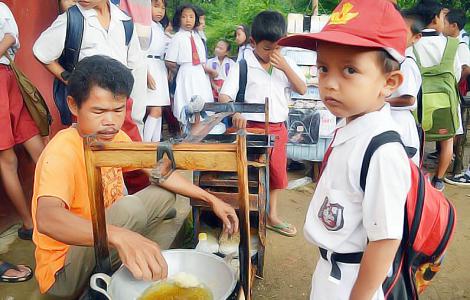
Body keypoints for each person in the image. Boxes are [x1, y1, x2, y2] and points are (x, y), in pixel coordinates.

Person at [31, 55, 239, 298]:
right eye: (98, 111)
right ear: (74, 105)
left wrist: (211, 199)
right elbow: (47, 217)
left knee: (164, 193)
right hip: (64, 272)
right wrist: (120, 236)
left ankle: (128, 239)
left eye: (118, 110)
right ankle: (126, 242)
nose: (110, 121)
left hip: (103, 236)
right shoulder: (61, 151)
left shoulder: (114, 138)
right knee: (129, 209)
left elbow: (161, 171)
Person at [279, 0, 410, 298]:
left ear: (389, 82)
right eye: (324, 68)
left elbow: (385, 240)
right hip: (331, 270)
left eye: (350, 70)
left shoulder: (382, 151)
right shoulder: (349, 128)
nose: (330, 84)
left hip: (354, 281)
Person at [220, 11, 307, 237]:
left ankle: (271, 215)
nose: (273, 53)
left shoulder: (285, 63)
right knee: (246, 172)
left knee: (277, 175)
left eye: (277, 48)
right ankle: (243, 212)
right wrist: (237, 110)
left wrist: (285, 66)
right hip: (249, 128)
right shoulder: (243, 66)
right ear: (253, 43)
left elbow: (302, 88)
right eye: (267, 48)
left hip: (277, 128)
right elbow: (225, 96)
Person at [33, 0, 146, 136]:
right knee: (91, 149)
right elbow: (41, 52)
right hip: (90, 105)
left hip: (119, 103)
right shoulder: (72, 19)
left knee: (127, 146)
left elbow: (134, 65)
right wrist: (69, 79)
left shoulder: (124, 21)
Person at [410, 0, 466, 191]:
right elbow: (457, 74)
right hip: (446, 101)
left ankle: (417, 177)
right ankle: (439, 179)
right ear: (435, 18)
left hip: (420, 103)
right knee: (447, 139)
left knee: (416, 138)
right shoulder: (451, 44)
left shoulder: (412, 43)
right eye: (442, 16)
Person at [0, 1, 45, 241]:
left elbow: (10, 38)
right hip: (6, 77)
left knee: (17, 157)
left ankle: (33, 222)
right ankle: (31, 222)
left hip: (6, 77)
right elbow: (10, 37)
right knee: (26, 153)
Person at [165, 3, 215, 123]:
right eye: (184, 17)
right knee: (187, 99)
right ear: (179, 19)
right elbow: (169, 60)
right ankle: (186, 126)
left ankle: (201, 129)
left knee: (202, 97)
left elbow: (202, 60)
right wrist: (178, 71)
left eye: (191, 17)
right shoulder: (177, 37)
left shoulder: (198, 37)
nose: (188, 20)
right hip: (185, 72)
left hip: (199, 73)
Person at [386, 12, 424, 166]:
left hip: (400, 122)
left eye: (402, 32)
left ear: (416, 37)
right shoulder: (396, 59)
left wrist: (380, 101)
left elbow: (409, 99)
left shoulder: (407, 63)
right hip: (394, 120)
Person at [143, 0, 171, 142]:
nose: (160, 11)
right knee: (154, 109)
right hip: (149, 66)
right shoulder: (145, 26)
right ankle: (146, 145)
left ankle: (156, 144)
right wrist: (146, 74)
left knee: (159, 110)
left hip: (159, 67)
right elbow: (141, 51)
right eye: (156, 6)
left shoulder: (159, 27)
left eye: (163, 8)